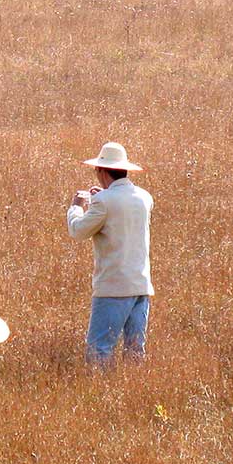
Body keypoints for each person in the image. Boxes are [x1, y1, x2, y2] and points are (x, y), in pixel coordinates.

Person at [67, 142, 154, 365]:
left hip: (113, 287)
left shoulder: (103, 202)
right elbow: (120, 210)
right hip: (141, 286)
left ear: (101, 171)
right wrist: (103, 196)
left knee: (99, 350)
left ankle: (98, 390)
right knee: (135, 351)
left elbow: (78, 231)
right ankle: (135, 392)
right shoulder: (144, 197)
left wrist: (76, 206)